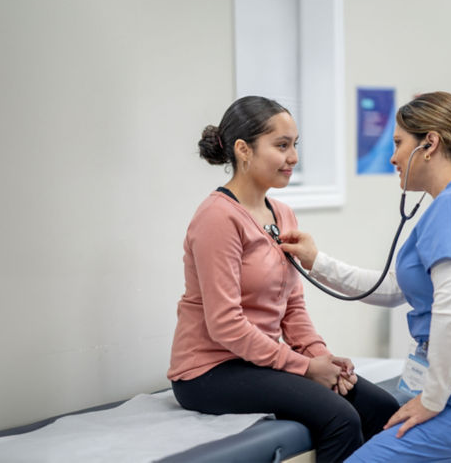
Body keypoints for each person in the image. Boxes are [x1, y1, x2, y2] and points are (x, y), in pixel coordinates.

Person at [279, 91, 451, 463]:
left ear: (430, 144)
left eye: (398, 143)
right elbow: (394, 287)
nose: (392, 156)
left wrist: (432, 399)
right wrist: (317, 261)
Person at [168, 96, 400, 463]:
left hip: (257, 361)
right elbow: (225, 325)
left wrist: (322, 358)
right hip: (209, 372)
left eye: (295, 145)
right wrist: (306, 368)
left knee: (383, 409)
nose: (293, 157)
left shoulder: (283, 213)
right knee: (341, 419)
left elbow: (292, 306)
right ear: (243, 150)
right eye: (281, 146)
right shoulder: (217, 219)